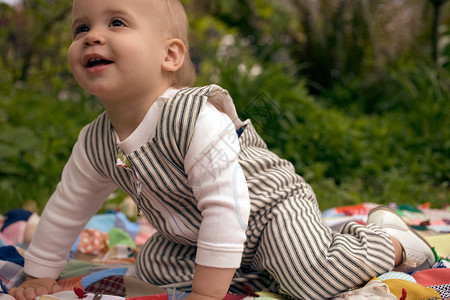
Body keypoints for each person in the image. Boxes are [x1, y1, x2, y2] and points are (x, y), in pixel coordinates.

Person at [8, 0, 436, 299]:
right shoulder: (96, 142)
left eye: (116, 23)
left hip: (268, 212)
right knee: (148, 273)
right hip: (193, 237)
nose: (92, 36)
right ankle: (294, 254)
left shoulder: (194, 118)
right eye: (81, 27)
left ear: (170, 55)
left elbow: (226, 209)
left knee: (310, 280)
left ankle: (390, 239)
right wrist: (39, 276)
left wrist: (208, 294)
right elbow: (66, 210)